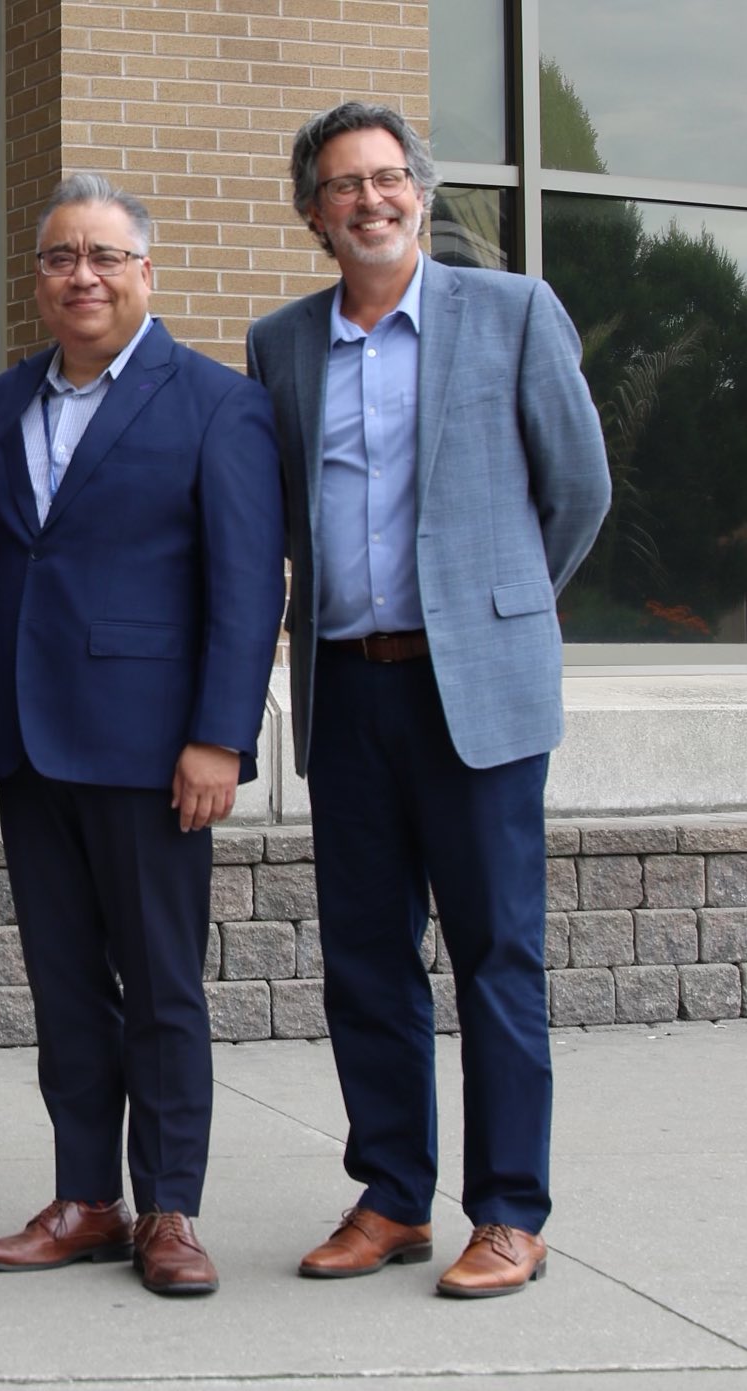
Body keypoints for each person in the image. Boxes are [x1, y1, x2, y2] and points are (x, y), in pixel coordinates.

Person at [245, 102, 610, 1298]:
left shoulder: (507, 314)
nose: (370, 200)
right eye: (343, 185)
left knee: (495, 952)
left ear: (419, 193)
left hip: (478, 698)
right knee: (362, 956)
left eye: (388, 178)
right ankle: (393, 1193)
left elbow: (577, 490)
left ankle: (508, 1209)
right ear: (312, 213)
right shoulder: (281, 342)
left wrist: (495, 608)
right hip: (346, 688)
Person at [0, 174, 284, 1297]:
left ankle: (171, 1209)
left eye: (102, 255)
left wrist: (219, 738)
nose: (80, 276)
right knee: (62, 989)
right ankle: (84, 1198)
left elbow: (246, 588)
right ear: (38, 278)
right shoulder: (2, 406)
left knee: (159, 987)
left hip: (154, 752)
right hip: (28, 745)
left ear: (144, 272)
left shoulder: (213, 402)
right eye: (59, 257)